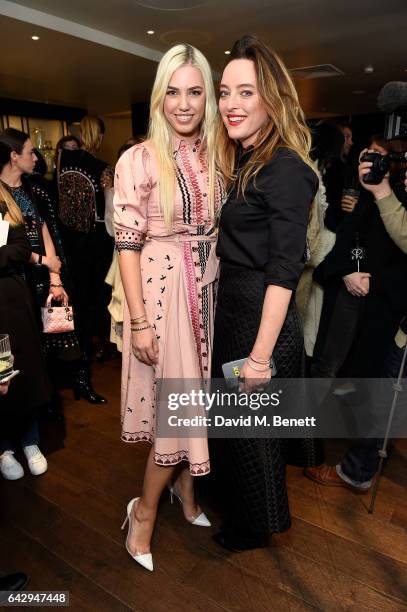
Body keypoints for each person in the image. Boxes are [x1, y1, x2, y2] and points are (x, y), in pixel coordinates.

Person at [210, 35, 322, 552]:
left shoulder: (287, 170)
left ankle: (255, 526)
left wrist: (258, 358)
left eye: (246, 93)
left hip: (262, 313)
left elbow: (284, 270)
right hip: (239, 304)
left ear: (271, 99)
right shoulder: (250, 159)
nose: (231, 104)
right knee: (239, 428)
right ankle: (241, 508)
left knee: (253, 433)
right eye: (225, 92)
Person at [114, 44, 222, 572]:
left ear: (208, 96)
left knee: (193, 405)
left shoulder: (217, 154)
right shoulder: (138, 158)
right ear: (159, 98)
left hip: (207, 290)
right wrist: (138, 321)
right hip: (163, 296)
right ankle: (144, 512)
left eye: (195, 91)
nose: (184, 104)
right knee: (176, 416)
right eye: (173, 92)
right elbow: (127, 246)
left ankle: (187, 493)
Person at [305, 149, 407, 491]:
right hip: (353, 298)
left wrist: (374, 278)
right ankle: (304, 437)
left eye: (382, 158)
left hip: (387, 307)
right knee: (330, 365)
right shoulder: (377, 191)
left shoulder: (395, 197)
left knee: (372, 379)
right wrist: (355, 268)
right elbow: (357, 238)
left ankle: (360, 459)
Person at [0, 178, 50, 480]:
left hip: (11, 298)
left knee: (24, 368)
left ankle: (31, 441)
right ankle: (4, 448)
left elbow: (20, 249)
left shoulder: (6, 203)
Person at [58, 116, 115, 374]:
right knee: (100, 294)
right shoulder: (103, 167)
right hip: (97, 239)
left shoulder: (63, 160)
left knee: (77, 293)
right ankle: (102, 344)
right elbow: (111, 212)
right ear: (99, 136)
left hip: (70, 239)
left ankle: (77, 346)